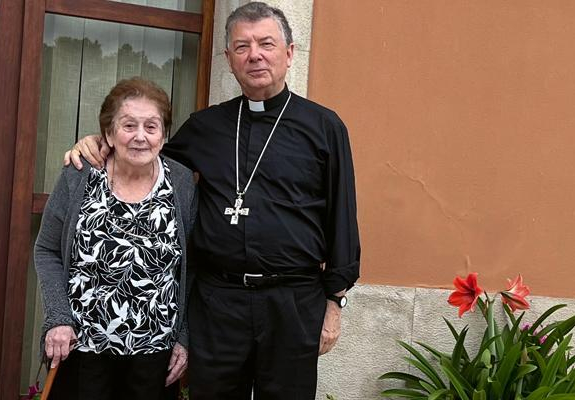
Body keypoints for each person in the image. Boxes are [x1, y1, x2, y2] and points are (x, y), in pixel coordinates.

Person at [66, 3, 360, 399]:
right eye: (242, 46)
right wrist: (98, 144)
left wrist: (334, 302)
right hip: (219, 304)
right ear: (229, 60)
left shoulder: (324, 127)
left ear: (289, 53)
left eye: (266, 44)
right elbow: (145, 156)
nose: (254, 54)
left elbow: (342, 217)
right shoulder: (205, 127)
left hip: (293, 303)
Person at [34, 77, 197, 399]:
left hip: (155, 358)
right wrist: (58, 318)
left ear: (164, 136)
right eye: (128, 125)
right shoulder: (80, 174)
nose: (140, 136)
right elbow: (47, 249)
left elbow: (193, 266)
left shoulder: (181, 183)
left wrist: (184, 335)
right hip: (82, 348)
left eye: (151, 127)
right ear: (108, 133)